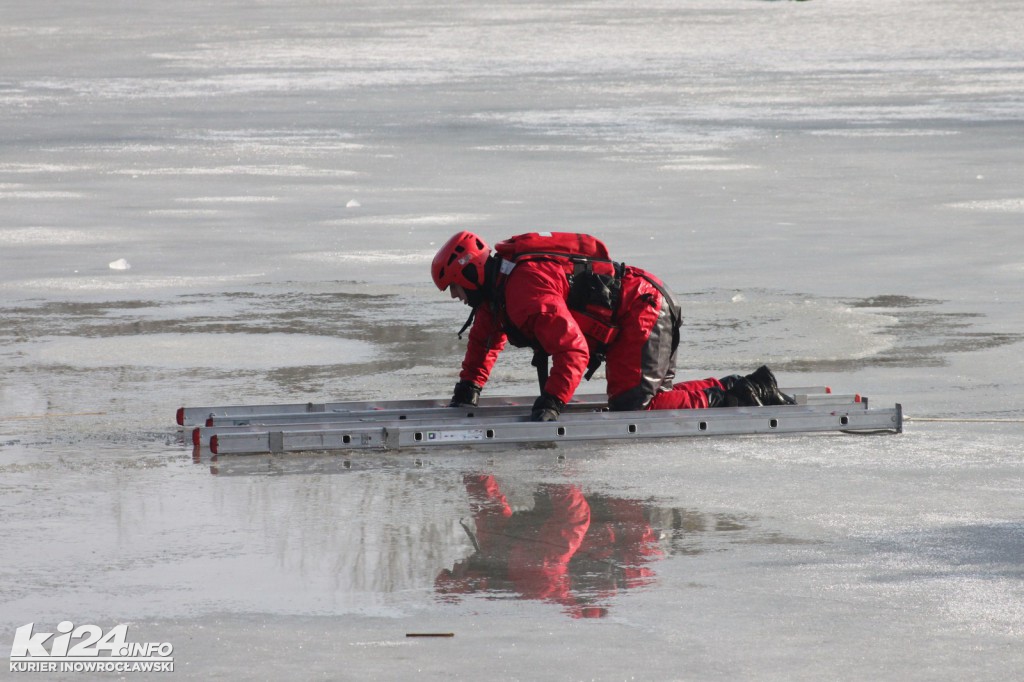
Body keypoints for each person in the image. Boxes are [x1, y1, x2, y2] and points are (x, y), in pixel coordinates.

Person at [431, 231, 794, 421]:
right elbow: (485, 339)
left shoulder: (523, 288)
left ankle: (737, 391)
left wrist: (554, 401)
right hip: (639, 308)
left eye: (455, 287)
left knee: (636, 410)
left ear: (470, 272)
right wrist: (468, 389)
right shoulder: (499, 290)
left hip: (643, 309)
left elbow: (573, 349)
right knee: (649, 400)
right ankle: (748, 387)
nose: (455, 297)